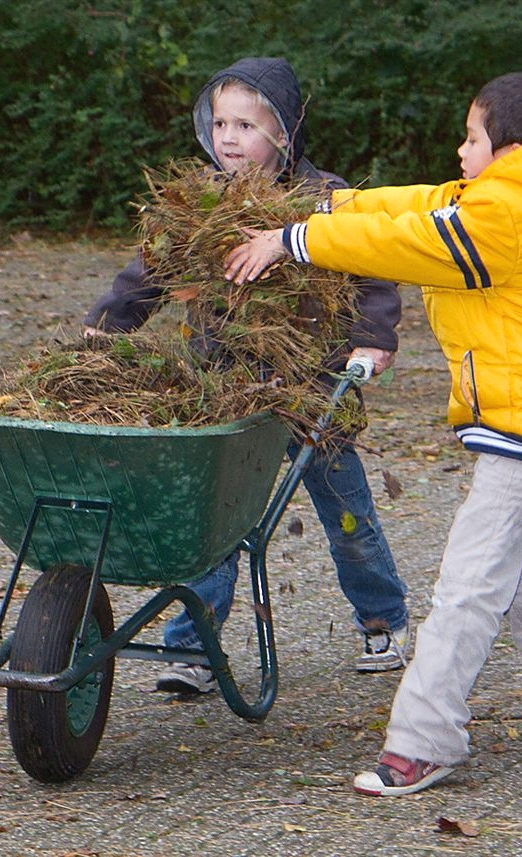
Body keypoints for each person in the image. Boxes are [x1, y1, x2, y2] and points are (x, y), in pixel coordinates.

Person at [224, 70, 522, 795]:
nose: (459, 150)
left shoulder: (507, 216)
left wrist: (294, 239)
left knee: (469, 581)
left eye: (471, 138)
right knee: (508, 547)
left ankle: (424, 739)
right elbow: (415, 204)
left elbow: (409, 243)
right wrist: (326, 202)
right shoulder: (509, 193)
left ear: (515, 148)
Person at [84, 57, 410, 693]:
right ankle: (194, 648)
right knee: (213, 520)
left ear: (284, 133)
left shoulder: (325, 199)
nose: (228, 137)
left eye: (245, 125)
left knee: (347, 514)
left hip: (312, 389)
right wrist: (107, 325)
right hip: (224, 391)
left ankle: (384, 616)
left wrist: (372, 341)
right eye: (219, 123)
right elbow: (149, 271)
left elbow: (373, 268)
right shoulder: (201, 203)